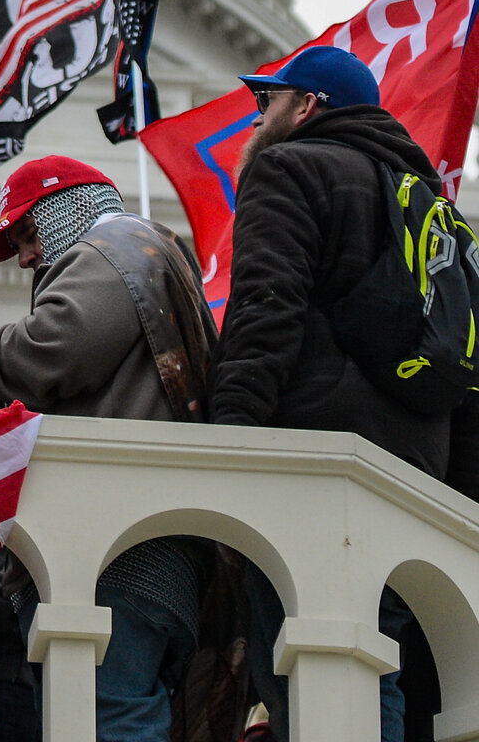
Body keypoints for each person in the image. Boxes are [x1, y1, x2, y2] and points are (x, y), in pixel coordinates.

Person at [207, 44, 479, 742]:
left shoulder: (288, 167)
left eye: (266, 101)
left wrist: (229, 436)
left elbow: (267, 308)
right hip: (416, 463)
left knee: (303, 662)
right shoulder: (429, 202)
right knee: (370, 656)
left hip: (317, 458)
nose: (257, 117)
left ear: (306, 106)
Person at [0, 156, 215, 742]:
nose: (27, 258)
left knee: (107, 721)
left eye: (28, 235)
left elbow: (58, 344)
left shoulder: (112, 244)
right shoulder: (143, 251)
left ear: (68, 208)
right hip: (136, 550)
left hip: (114, 555)